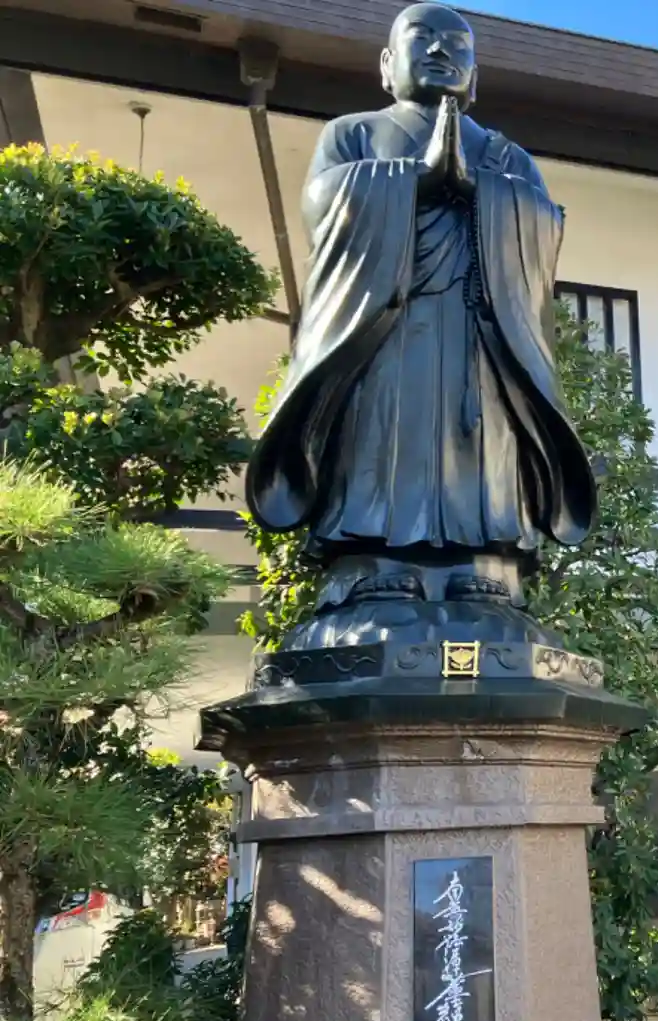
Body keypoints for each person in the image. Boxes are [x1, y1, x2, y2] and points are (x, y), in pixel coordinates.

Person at [245, 2, 596, 614]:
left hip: (479, 336)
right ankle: (373, 566)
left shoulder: (507, 157)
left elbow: (544, 230)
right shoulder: (353, 134)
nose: (439, 50)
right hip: (384, 329)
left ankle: (485, 568)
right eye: (422, 38)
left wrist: (477, 189)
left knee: (485, 449)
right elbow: (323, 207)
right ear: (387, 66)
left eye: (456, 44)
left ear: (475, 77)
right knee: (378, 440)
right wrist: (417, 178)